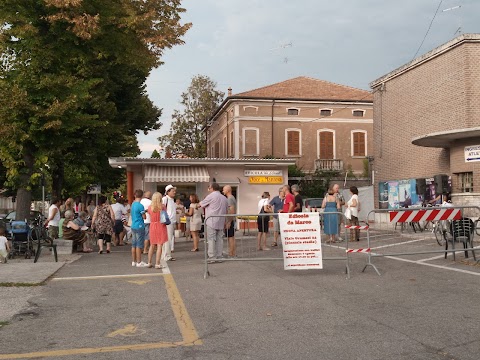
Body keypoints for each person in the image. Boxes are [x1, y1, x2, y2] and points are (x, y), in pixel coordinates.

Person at [199, 183, 228, 263]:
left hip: (211, 221)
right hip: (221, 221)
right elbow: (226, 210)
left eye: (209, 187)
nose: (208, 189)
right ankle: (219, 256)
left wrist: (195, 206)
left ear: (212, 188)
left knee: (211, 239)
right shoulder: (224, 198)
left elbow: (201, 204)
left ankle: (212, 257)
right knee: (220, 239)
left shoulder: (211, 196)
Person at [146, 192, 168, 269]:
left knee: (152, 245)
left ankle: (149, 262)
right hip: (160, 225)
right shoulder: (162, 206)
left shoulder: (149, 207)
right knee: (159, 245)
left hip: (152, 225)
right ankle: (157, 263)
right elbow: (165, 216)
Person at [130, 189, 148, 267]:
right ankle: (139, 261)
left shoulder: (133, 204)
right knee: (139, 244)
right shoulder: (140, 206)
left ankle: (133, 261)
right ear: (142, 196)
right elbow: (144, 217)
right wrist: (145, 212)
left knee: (133, 244)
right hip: (139, 225)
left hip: (133, 225)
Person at [162, 185, 176, 261]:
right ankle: (166, 255)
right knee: (168, 239)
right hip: (167, 222)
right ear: (168, 192)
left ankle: (167, 254)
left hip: (171, 221)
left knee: (169, 238)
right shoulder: (165, 199)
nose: (174, 192)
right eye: (173, 191)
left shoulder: (171, 200)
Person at [223, 185, 237, 257]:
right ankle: (232, 252)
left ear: (228, 190)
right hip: (231, 219)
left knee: (230, 237)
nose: (223, 191)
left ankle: (231, 253)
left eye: (224, 190)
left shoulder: (230, 199)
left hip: (230, 220)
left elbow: (231, 210)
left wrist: (229, 221)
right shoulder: (231, 198)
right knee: (231, 237)